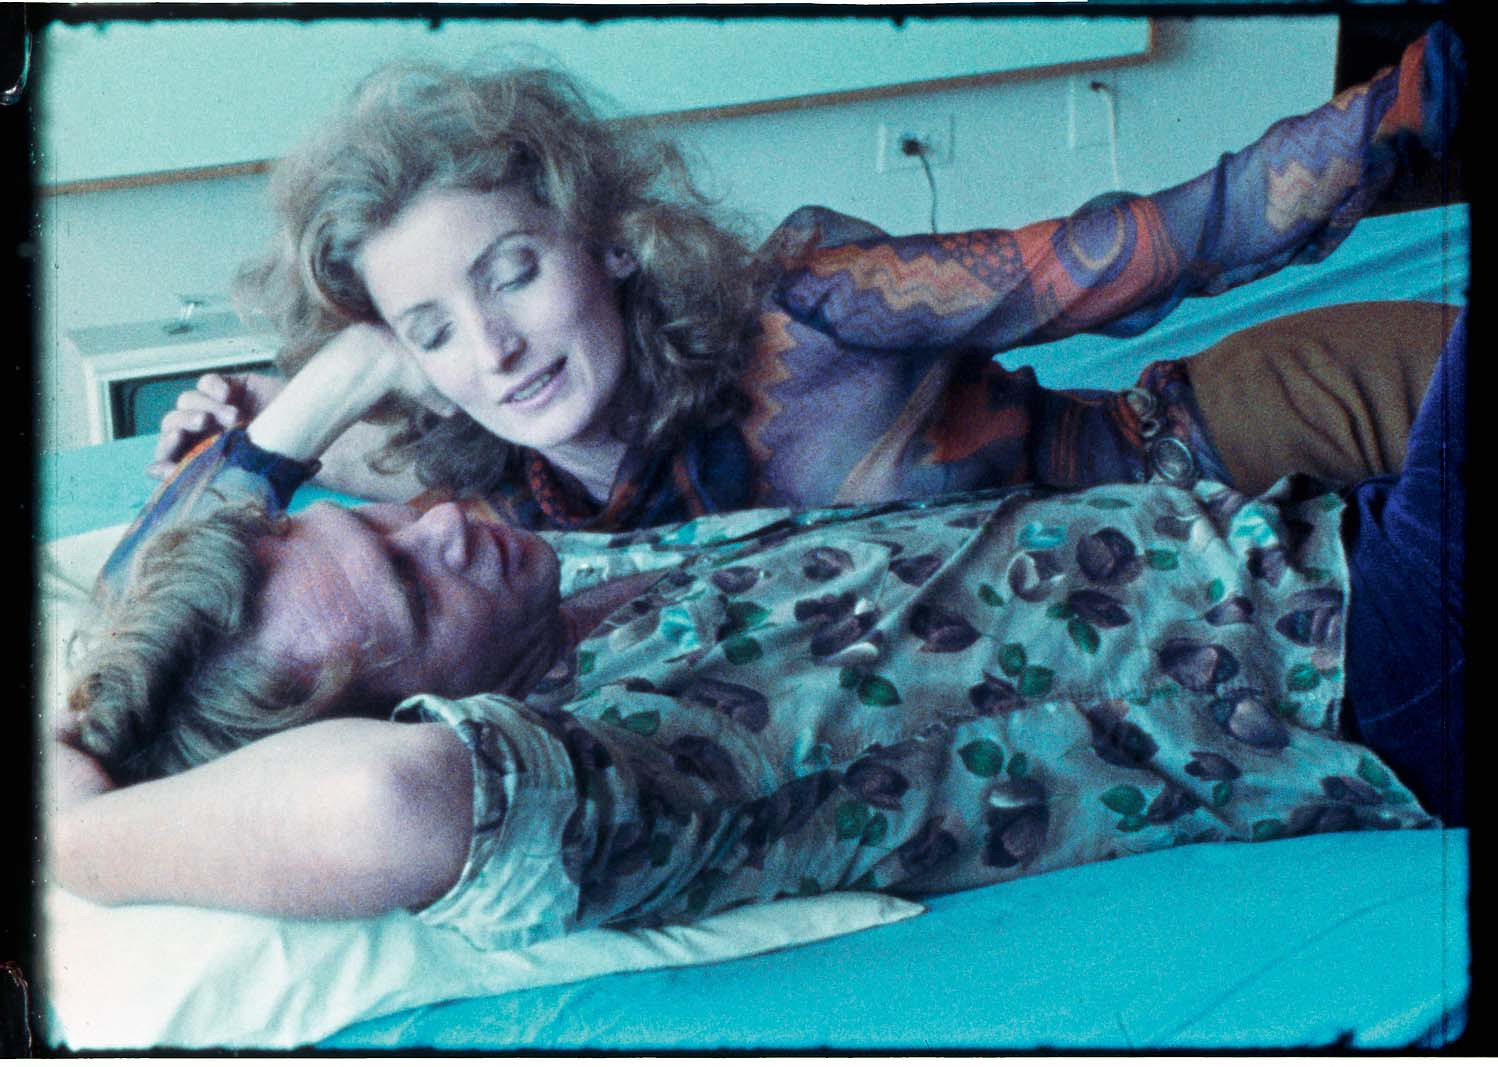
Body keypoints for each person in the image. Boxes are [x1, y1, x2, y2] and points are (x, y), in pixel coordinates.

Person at [49, 308, 1464, 946]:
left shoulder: (559, 578)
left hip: (1321, 537)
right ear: (409, 709)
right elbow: (383, 802)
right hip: (1369, 671)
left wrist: (324, 392)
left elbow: (166, 572)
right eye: (416, 595)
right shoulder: (594, 784)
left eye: (381, 525)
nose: (443, 528)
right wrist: (70, 836)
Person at [149, 26, 1464, 533]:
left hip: (1242, 440)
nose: (492, 349)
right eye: (432, 329)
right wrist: (296, 408)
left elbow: (1155, 245)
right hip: (1230, 609)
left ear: (607, 239)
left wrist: (1421, 95)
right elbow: (145, 647)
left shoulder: (811, 306)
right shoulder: (496, 489)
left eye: (512, 274)